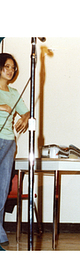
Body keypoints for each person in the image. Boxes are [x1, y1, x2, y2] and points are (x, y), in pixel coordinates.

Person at [0, 53, 30, 246]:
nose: (11, 71)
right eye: (7, 67)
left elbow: (27, 111)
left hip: (9, 142)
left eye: (13, 68)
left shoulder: (13, 92)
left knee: (2, 188)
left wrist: (25, 117)